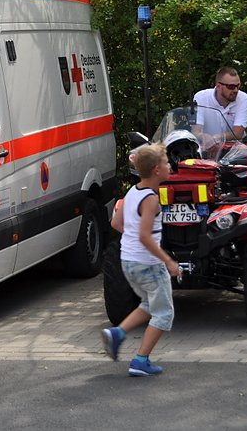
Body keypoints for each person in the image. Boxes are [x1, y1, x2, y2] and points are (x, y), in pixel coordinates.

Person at [101, 143, 179, 376]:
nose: (169, 166)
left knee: (148, 304)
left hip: (129, 261)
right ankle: (140, 360)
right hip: (148, 265)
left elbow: (115, 223)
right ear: (156, 169)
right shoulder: (151, 199)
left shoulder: (133, 191)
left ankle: (117, 334)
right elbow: (145, 236)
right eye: (166, 163)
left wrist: (134, 241)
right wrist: (169, 261)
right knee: (164, 313)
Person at [192, 66, 247, 142]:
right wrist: (203, 137)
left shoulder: (242, 98)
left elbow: (238, 133)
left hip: (235, 147)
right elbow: (196, 132)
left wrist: (216, 138)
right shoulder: (201, 98)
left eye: (238, 86)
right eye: (231, 86)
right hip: (207, 147)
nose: (236, 90)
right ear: (218, 86)